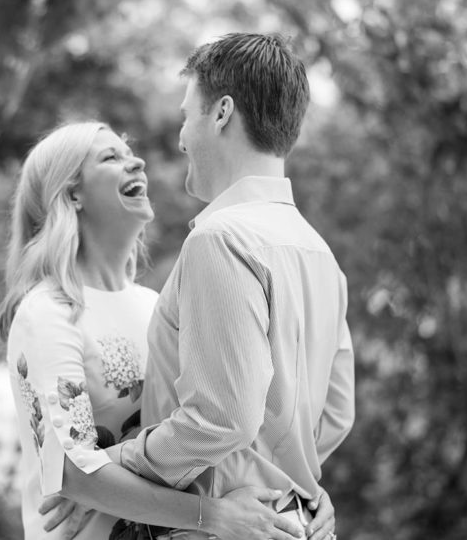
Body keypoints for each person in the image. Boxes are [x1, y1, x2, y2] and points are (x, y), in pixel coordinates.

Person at [99, 33, 355, 540]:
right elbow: (337, 412)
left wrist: (109, 465)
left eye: (185, 115)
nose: (180, 137)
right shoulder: (318, 252)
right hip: (295, 522)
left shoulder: (220, 238)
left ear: (220, 114)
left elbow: (222, 418)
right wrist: (291, 485)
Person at [0, 121, 310, 540]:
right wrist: (213, 516)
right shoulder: (48, 314)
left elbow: (217, 425)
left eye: (130, 152)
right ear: (72, 194)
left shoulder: (153, 305)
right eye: (112, 157)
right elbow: (72, 471)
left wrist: (305, 494)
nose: (138, 162)